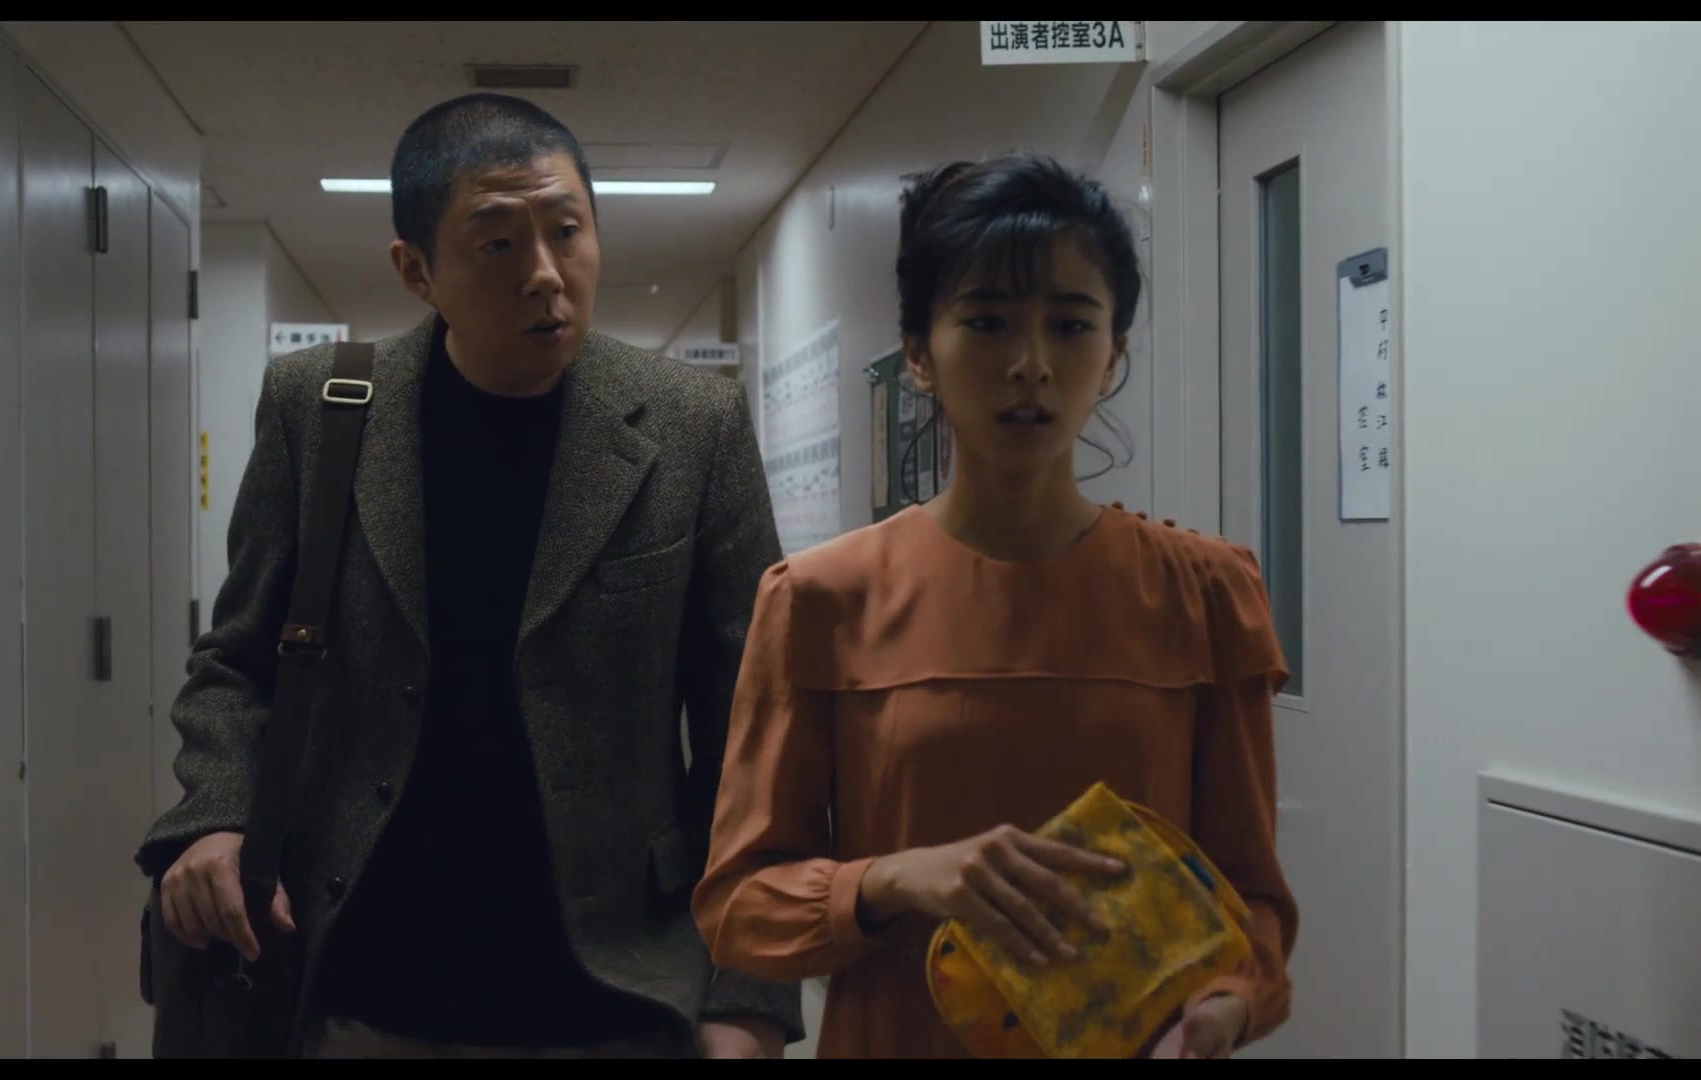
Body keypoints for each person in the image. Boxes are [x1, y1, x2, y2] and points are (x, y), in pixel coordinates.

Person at [137, 92, 801, 1059]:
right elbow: (238, 662)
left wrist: (750, 993)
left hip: (621, 985)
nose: (546, 275)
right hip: (364, 976)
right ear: (417, 270)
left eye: (567, 231)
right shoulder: (322, 410)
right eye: (497, 244)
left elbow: (759, 724)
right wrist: (215, 818)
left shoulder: (693, 425)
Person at [690, 154, 1298, 1059]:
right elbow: (739, 906)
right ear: (919, 354)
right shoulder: (822, 600)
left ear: (1114, 353)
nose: (1031, 365)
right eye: (987, 323)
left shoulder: (1203, 595)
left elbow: (1251, 900)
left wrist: (1227, 1006)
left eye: (1071, 325)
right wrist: (894, 879)